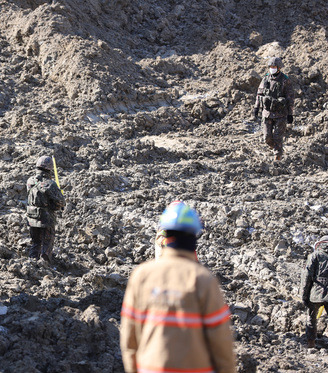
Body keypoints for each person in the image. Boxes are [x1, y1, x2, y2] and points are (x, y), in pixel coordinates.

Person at [120, 201, 236, 373]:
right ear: (194, 235)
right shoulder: (204, 280)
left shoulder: (141, 276)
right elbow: (220, 340)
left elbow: (130, 337)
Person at [253, 56, 295, 161]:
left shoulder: (285, 80)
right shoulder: (266, 78)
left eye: (274, 66)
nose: (272, 68)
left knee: (278, 137)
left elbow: (290, 98)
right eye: (270, 66)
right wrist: (256, 108)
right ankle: (276, 147)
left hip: (281, 114)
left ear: (279, 67)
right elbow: (259, 94)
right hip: (267, 113)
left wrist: (290, 114)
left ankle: (278, 156)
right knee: (267, 137)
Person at [26, 156, 65, 262]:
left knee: (35, 242)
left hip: (32, 217)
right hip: (46, 219)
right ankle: (44, 264)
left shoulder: (30, 181)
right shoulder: (50, 184)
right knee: (47, 243)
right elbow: (61, 202)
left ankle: (32, 262)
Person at [301, 236, 328, 348]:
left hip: (316, 293)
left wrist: (304, 295)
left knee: (311, 318)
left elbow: (306, 276)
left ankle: (311, 344)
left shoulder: (314, 256)